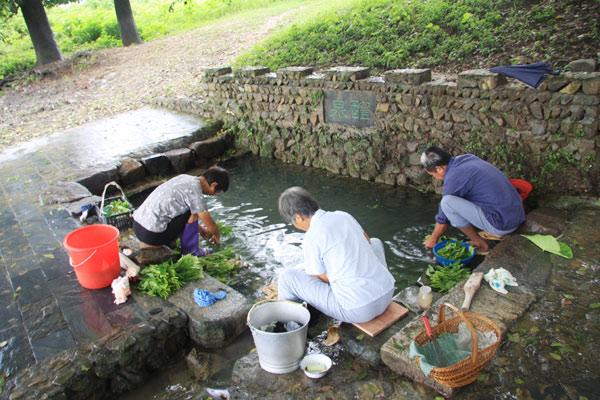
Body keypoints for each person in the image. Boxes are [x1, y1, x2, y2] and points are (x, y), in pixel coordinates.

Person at [276, 186, 395, 324]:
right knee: (375, 242)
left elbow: (321, 278)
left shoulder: (312, 236)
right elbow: (367, 240)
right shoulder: (343, 215)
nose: (294, 225)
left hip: (359, 310)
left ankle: (289, 327)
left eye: (293, 222)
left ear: (298, 217)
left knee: (286, 277)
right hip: (387, 293)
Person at [421, 146, 525, 253]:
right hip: (517, 214)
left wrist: (433, 240)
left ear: (439, 169)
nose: (435, 177)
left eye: (433, 175)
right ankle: (494, 231)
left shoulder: (454, 177)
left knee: (447, 203)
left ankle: (480, 243)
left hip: (504, 224)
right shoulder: (467, 158)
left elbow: (443, 220)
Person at [132, 166, 230, 256]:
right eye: (217, 191)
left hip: (137, 225)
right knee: (193, 212)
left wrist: (199, 228)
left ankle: (173, 241)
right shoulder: (196, 192)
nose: (214, 194)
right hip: (151, 235)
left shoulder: (184, 178)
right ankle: (191, 251)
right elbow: (210, 223)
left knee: (187, 208)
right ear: (213, 184)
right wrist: (217, 235)